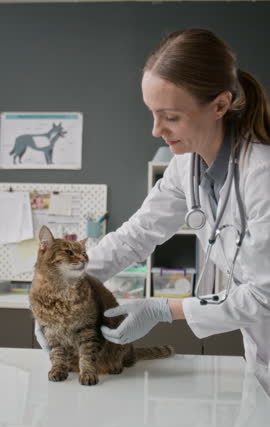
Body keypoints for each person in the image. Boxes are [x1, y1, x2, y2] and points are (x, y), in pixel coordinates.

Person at [35, 28, 270, 395]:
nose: (156, 129)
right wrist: (61, 285)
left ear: (220, 105)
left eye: (171, 117)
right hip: (260, 354)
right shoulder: (187, 166)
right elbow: (136, 236)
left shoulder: (262, 176)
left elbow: (263, 295)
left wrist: (163, 309)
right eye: (152, 114)